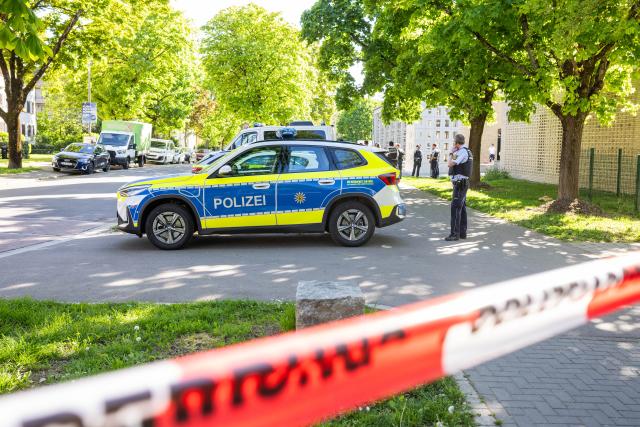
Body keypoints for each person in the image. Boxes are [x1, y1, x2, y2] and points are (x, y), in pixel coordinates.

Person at [445, 134, 473, 241]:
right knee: (462, 207)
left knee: (455, 208)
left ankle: (454, 234)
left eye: (454, 143)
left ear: (456, 143)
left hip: (460, 184)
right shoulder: (467, 151)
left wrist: (451, 153)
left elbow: (450, 164)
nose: (453, 144)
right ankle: (462, 233)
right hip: (463, 183)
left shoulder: (461, 152)